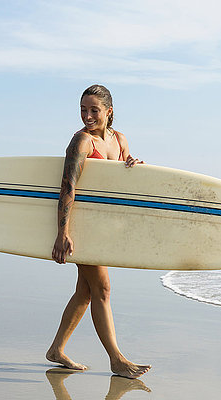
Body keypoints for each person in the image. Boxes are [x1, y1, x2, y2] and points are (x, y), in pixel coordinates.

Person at [46, 84, 151, 379]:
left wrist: (132, 164)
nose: (88, 116)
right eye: (83, 110)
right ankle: (116, 359)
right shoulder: (81, 142)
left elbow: (117, 182)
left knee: (86, 292)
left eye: (94, 110)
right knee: (102, 289)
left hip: (103, 226)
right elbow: (68, 186)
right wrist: (62, 232)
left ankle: (56, 349)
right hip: (80, 226)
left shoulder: (119, 140)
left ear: (109, 111)